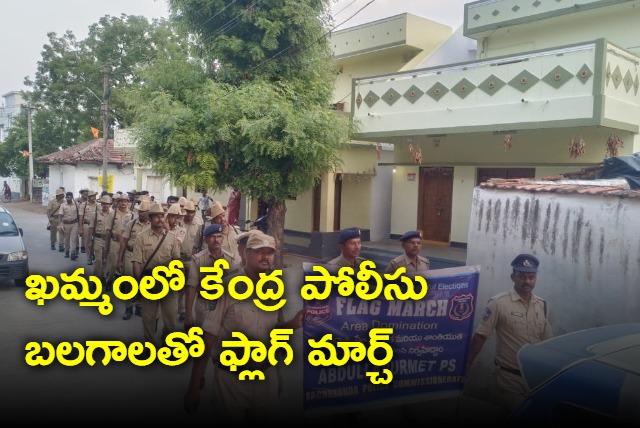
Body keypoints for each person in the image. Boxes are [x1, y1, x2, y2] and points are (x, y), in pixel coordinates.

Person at [183, 233, 304, 423]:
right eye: (259, 252)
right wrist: (193, 387)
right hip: (232, 382)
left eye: (270, 252)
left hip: (266, 377)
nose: (266, 257)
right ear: (246, 253)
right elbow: (207, 341)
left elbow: (275, 331)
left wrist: (293, 324)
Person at [466, 253, 553, 414]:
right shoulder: (498, 303)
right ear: (513, 277)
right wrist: (467, 364)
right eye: (522, 277)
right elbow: (481, 336)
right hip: (509, 377)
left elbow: (547, 342)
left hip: (535, 377)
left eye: (531, 277)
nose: (527, 281)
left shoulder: (542, 305)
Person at [131, 203, 181, 345]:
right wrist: (139, 285)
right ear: (150, 218)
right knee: (148, 318)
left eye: (161, 216)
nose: (159, 219)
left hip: (168, 282)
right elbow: (137, 263)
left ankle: (168, 342)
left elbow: (176, 261)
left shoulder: (171, 237)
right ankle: (149, 345)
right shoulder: (141, 237)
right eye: (156, 216)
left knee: (171, 317)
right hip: (149, 282)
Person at [117, 199, 151, 320]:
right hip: (130, 255)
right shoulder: (131, 223)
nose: (141, 213)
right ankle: (128, 307)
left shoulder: (152, 225)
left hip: (145, 257)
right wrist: (119, 260)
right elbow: (124, 242)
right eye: (140, 211)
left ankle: (140, 306)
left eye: (144, 211)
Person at [89, 195, 113, 285]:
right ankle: (95, 279)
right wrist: (89, 241)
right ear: (101, 204)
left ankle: (103, 276)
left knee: (106, 259)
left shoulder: (112, 214)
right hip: (98, 238)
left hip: (109, 240)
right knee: (98, 260)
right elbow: (91, 228)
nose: (105, 205)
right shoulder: (95, 215)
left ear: (110, 204)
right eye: (104, 203)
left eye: (107, 204)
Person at [57, 191, 80, 260]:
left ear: (72, 197)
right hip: (66, 224)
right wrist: (61, 224)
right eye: (67, 197)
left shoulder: (76, 205)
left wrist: (80, 225)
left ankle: (73, 253)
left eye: (70, 197)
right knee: (67, 239)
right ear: (66, 198)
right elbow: (60, 216)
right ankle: (67, 251)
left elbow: (79, 215)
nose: (69, 198)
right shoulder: (63, 205)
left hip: (74, 224)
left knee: (73, 238)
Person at [78, 191, 98, 257]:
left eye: (94, 196)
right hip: (87, 225)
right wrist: (80, 228)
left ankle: (93, 253)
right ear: (88, 197)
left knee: (95, 241)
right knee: (87, 242)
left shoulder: (98, 205)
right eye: (92, 196)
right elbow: (81, 217)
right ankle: (89, 257)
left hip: (96, 226)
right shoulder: (84, 205)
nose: (94, 198)